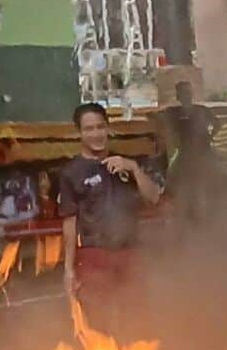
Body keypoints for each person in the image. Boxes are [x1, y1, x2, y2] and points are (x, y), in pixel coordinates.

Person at [60, 102, 161, 328]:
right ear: (79, 133)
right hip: (94, 255)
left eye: (100, 127)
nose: (96, 134)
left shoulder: (125, 164)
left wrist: (133, 168)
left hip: (129, 252)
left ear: (108, 129)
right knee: (97, 322)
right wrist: (68, 270)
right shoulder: (71, 173)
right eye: (89, 129)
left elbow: (154, 197)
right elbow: (69, 223)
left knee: (137, 319)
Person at [165, 80, 217, 224]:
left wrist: (208, 137)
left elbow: (217, 124)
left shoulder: (201, 111)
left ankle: (201, 217)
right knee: (182, 181)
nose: (186, 95)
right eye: (183, 93)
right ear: (178, 96)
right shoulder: (174, 113)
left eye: (187, 92)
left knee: (198, 183)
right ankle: (190, 215)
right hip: (186, 153)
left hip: (199, 155)